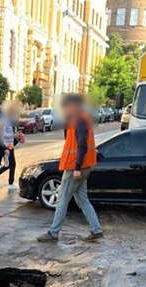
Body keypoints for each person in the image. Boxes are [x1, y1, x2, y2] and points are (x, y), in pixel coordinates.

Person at [37, 94, 103, 243]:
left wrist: (77, 168)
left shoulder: (80, 120)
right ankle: (96, 229)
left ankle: (53, 233)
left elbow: (82, 146)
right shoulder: (79, 119)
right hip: (83, 166)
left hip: (75, 167)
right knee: (83, 200)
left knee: (61, 200)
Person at [0, 103, 21, 191]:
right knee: (9, 164)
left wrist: (17, 138)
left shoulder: (9, 121)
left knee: (11, 164)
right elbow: (3, 134)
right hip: (5, 146)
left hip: (9, 145)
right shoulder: (4, 121)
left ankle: (10, 183)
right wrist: (13, 136)